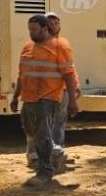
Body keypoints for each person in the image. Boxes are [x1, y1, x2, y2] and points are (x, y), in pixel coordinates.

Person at [11, 14, 79, 188]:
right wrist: (15, 97)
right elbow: (22, 75)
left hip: (48, 97)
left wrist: (72, 101)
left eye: (34, 29)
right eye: (29, 30)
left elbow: (69, 75)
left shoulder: (60, 46)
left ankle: (44, 172)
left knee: (42, 134)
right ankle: (56, 153)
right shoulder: (27, 47)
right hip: (29, 98)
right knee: (31, 132)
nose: (31, 33)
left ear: (44, 28)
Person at [25, 12, 78, 172]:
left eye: (56, 23)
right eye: (51, 23)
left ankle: (56, 155)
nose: (54, 26)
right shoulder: (36, 46)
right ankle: (36, 156)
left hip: (61, 92)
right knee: (38, 127)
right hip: (43, 95)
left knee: (58, 125)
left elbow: (69, 69)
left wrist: (76, 86)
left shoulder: (63, 44)